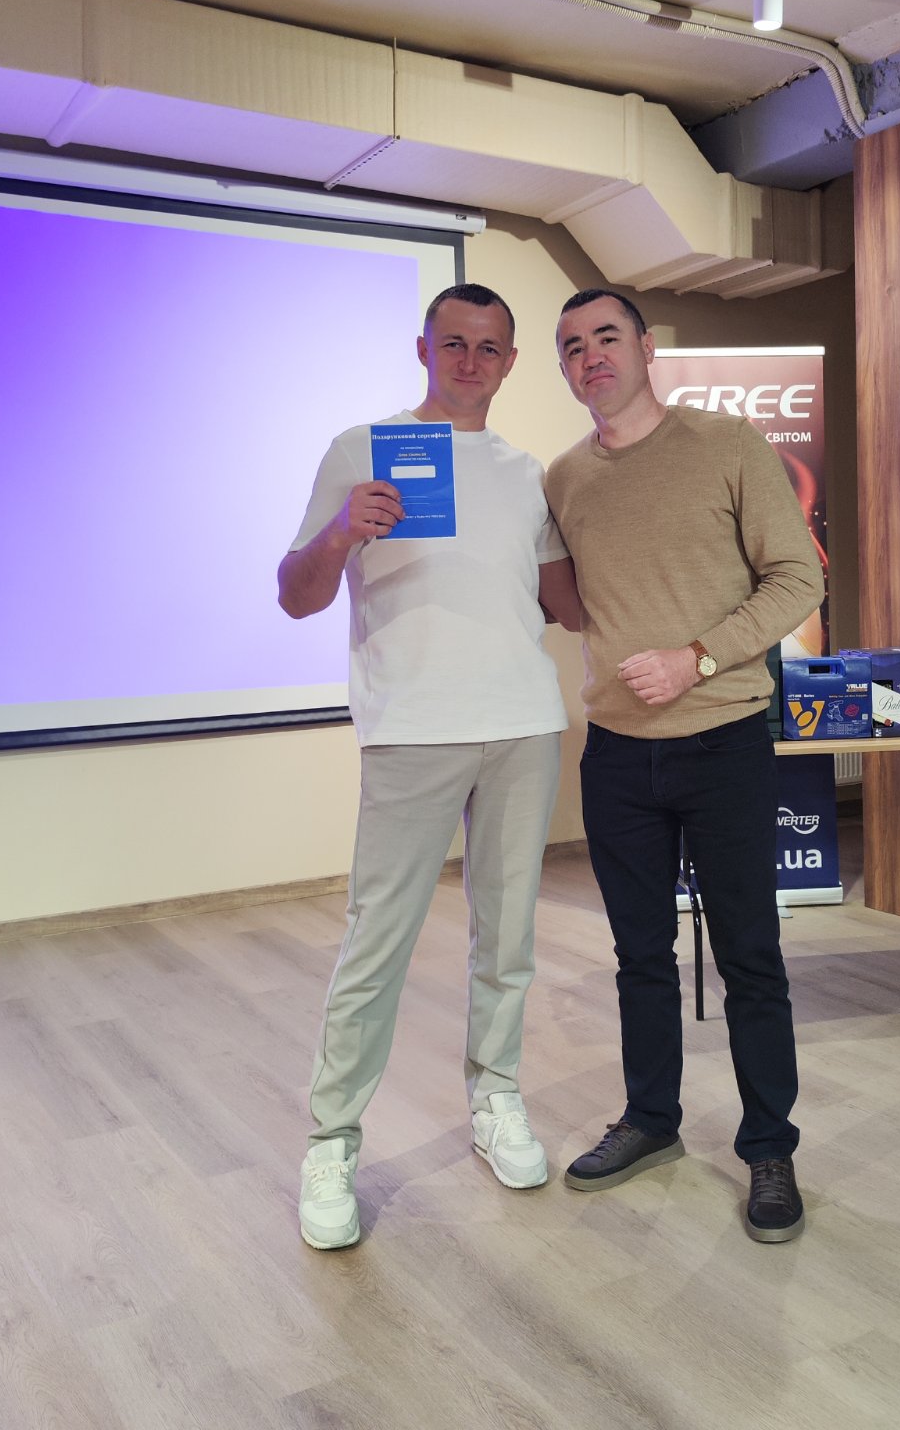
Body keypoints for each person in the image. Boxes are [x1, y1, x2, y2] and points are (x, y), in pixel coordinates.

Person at [279, 282, 580, 1250]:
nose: (470, 362)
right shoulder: (360, 450)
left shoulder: (527, 473)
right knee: (378, 942)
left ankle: (496, 1097)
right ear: (423, 349)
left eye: (489, 347)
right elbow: (295, 595)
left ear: (511, 362)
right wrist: (342, 531)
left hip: (524, 726)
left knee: (508, 938)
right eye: (454, 343)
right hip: (411, 729)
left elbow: (567, 601)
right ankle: (332, 1142)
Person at [544, 288, 824, 1243]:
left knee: (749, 959)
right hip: (618, 754)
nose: (591, 356)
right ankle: (651, 1120)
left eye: (606, 336)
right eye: (572, 346)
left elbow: (799, 575)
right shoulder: (564, 478)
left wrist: (696, 660)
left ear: (646, 347)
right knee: (639, 958)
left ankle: (770, 1148)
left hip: (722, 741)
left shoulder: (727, 444)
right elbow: (569, 601)